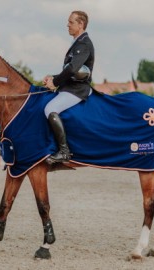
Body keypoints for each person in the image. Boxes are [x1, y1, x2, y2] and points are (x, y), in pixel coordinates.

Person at [43, 10, 94, 163]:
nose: (68, 25)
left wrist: (55, 82)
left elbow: (72, 68)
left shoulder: (84, 43)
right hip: (70, 86)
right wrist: (53, 76)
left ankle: (64, 151)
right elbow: (69, 70)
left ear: (81, 24)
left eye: (71, 22)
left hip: (77, 90)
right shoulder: (78, 42)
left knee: (50, 109)